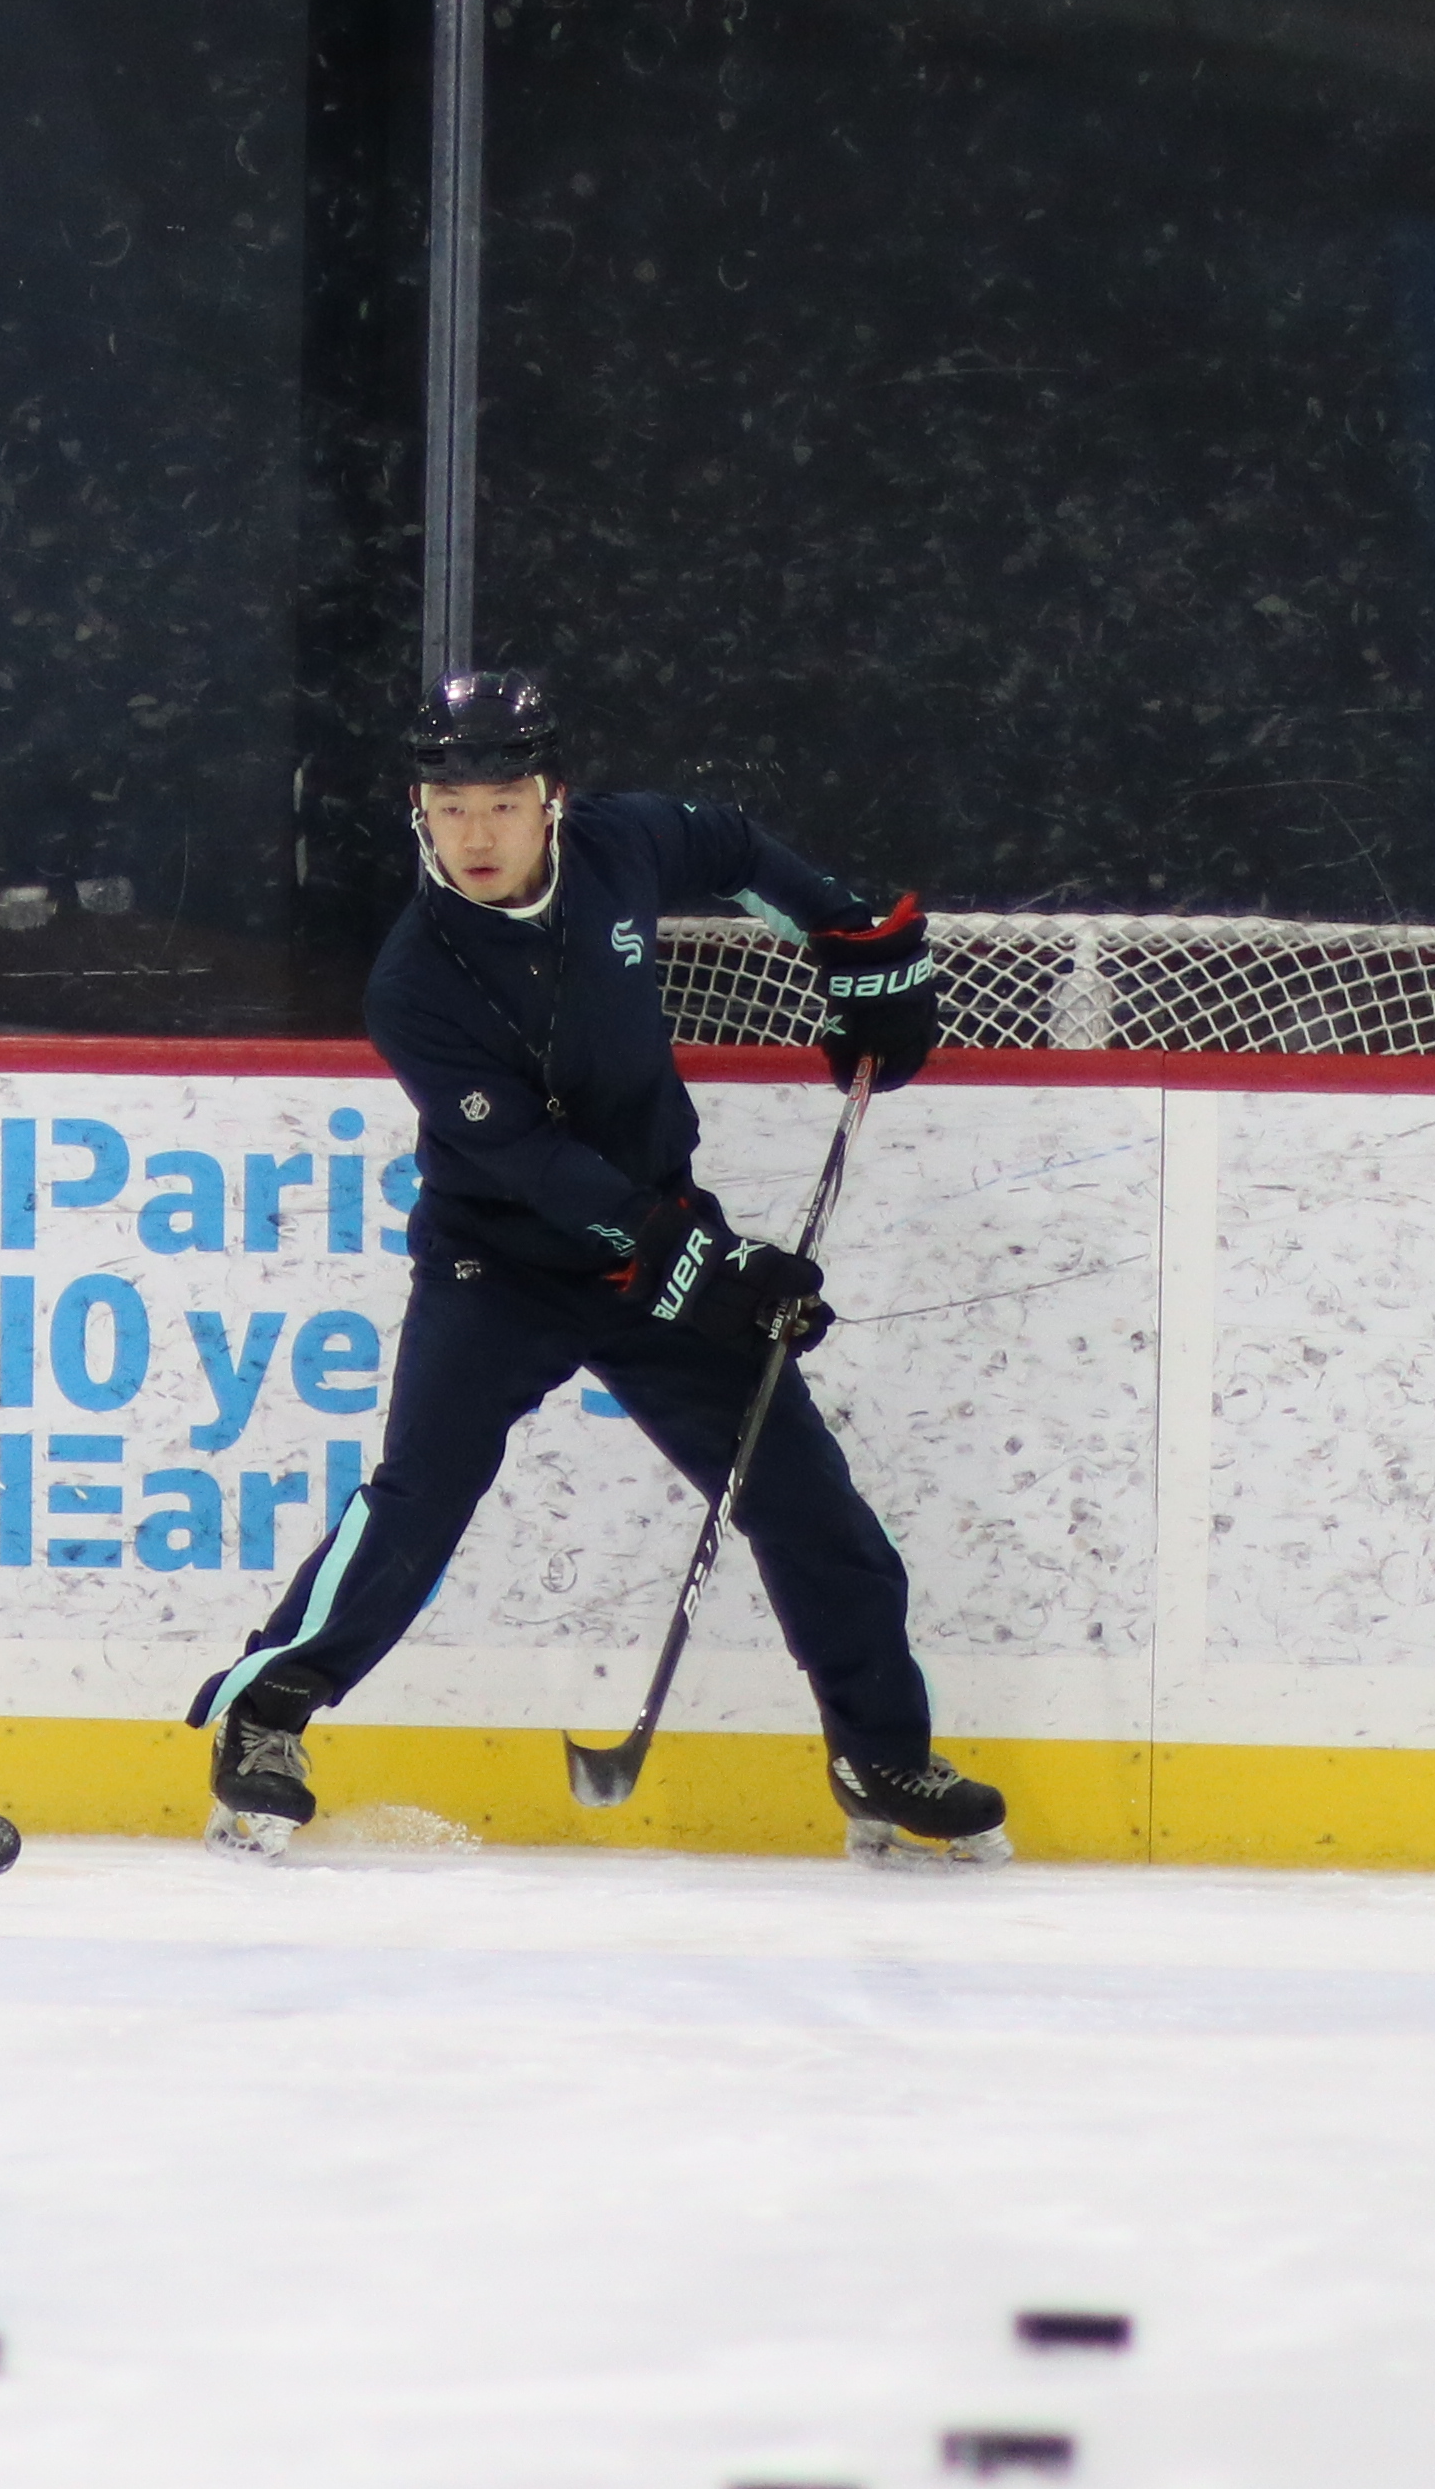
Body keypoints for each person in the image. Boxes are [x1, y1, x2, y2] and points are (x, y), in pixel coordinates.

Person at [188, 666, 1007, 1866]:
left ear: (552, 797)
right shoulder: (417, 982)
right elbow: (536, 1167)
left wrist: (850, 939)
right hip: (500, 1264)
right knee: (421, 1497)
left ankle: (879, 1750)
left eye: (502, 802)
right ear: (419, 810)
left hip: (663, 1222)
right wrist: (714, 1271)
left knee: (809, 1501)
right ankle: (264, 1716)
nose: (474, 832)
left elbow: (732, 845)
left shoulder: (623, 843)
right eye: (447, 805)